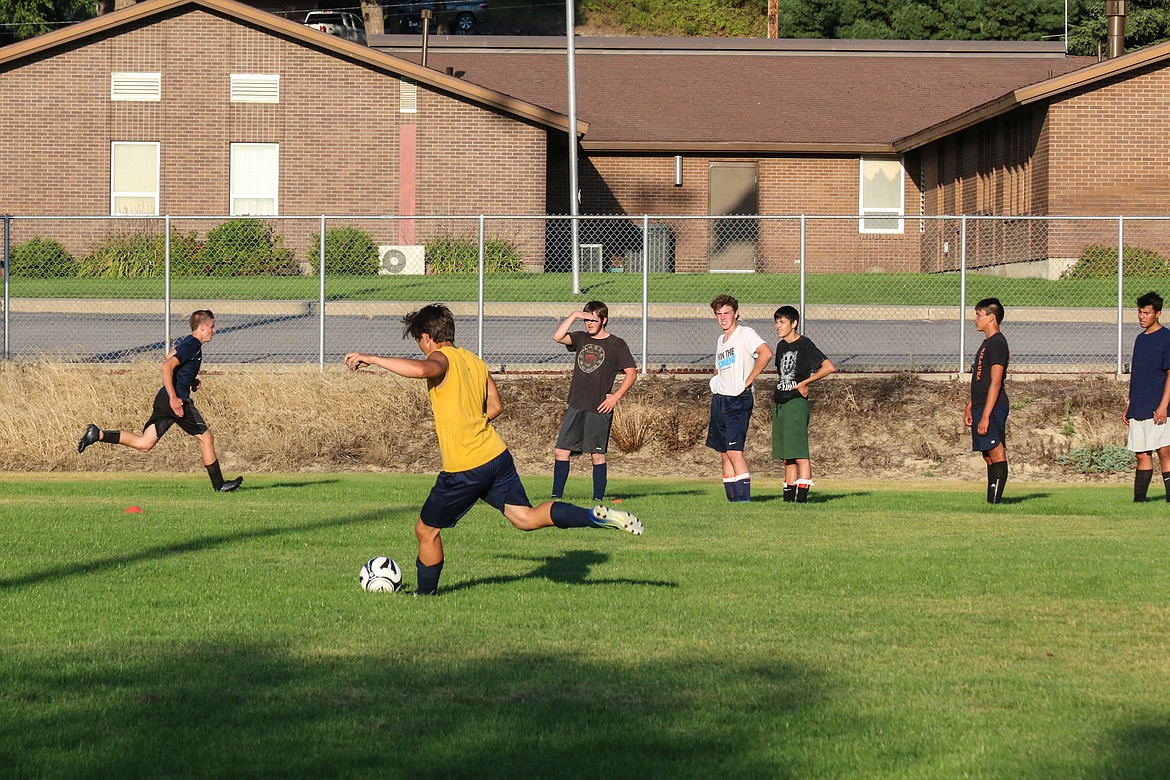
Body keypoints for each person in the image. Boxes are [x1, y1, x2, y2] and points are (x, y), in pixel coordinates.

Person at [344, 304, 642, 597]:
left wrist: (372, 358)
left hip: (465, 466)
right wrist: (471, 422)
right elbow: (496, 406)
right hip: (496, 456)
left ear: (427, 336)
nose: (422, 348)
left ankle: (424, 595)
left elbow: (423, 369)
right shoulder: (474, 361)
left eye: (419, 341)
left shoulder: (440, 358)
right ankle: (594, 516)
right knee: (525, 518)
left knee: (426, 531)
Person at [76, 309, 243, 492]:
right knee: (206, 437)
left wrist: (189, 379)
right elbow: (166, 366)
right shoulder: (193, 345)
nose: (215, 330)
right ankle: (220, 486)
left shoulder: (187, 341)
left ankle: (97, 434)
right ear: (202, 328)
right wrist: (175, 398)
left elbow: (170, 356)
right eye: (212, 326)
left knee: (145, 443)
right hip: (176, 400)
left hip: (163, 398)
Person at [550, 301, 638, 502]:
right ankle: (556, 497)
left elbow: (631, 374)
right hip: (576, 404)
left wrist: (615, 397)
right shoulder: (581, 338)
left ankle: (597, 498)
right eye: (586, 320)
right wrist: (574, 315)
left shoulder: (617, 344)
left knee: (596, 455)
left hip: (599, 407)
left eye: (593, 320)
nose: (589, 324)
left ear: (604, 320)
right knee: (561, 451)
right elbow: (557, 337)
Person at [707, 294, 773, 502]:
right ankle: (732, 501)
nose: (723, 317)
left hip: (738, 399)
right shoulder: (721, 340)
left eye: (727, 313)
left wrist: (749, 379)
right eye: (719, 314)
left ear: (736, 313)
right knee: (724, 453)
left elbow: (766, 353)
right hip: (720, 398)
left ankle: (744, 500)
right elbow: (720, 369)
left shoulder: (745, 333)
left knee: (735, 451)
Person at [771, 305, 836, 503]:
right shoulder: (781, 346)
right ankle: (789, 500)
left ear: (794, 323)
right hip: (780, 401)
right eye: (776, 322)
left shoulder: (805, 344)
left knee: (799, 453)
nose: (778, 326)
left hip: (795, 404)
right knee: (787, 456)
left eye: (782, 322)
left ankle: (802, 500)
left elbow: (828, 367)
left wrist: (805, 383)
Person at [1124, 291, 1170, 502]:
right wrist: (1130, 404)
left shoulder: (1166, 338)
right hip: (1139, 406)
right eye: (1140, 312)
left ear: (1158, 314)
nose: (1142, 316)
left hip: (1158, 407)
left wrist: (1163, 406)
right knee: (1142, 453)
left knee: (1164, 452)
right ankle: (1139, 501)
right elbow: (1138, 374)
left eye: (1146, 313)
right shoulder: (1140, 339)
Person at [964, 298, 1009, 504]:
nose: (975, 319)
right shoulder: (986, 343)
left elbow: (996, 383)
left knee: (997, 451)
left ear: (991, 317)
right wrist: (971, 405)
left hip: (993, 407)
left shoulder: (998, 343)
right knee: (987, 455)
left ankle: (995, 502)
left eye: (978, 315)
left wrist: (986, 415)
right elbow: (981, 378)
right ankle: (991, 502)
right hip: (981, 405)